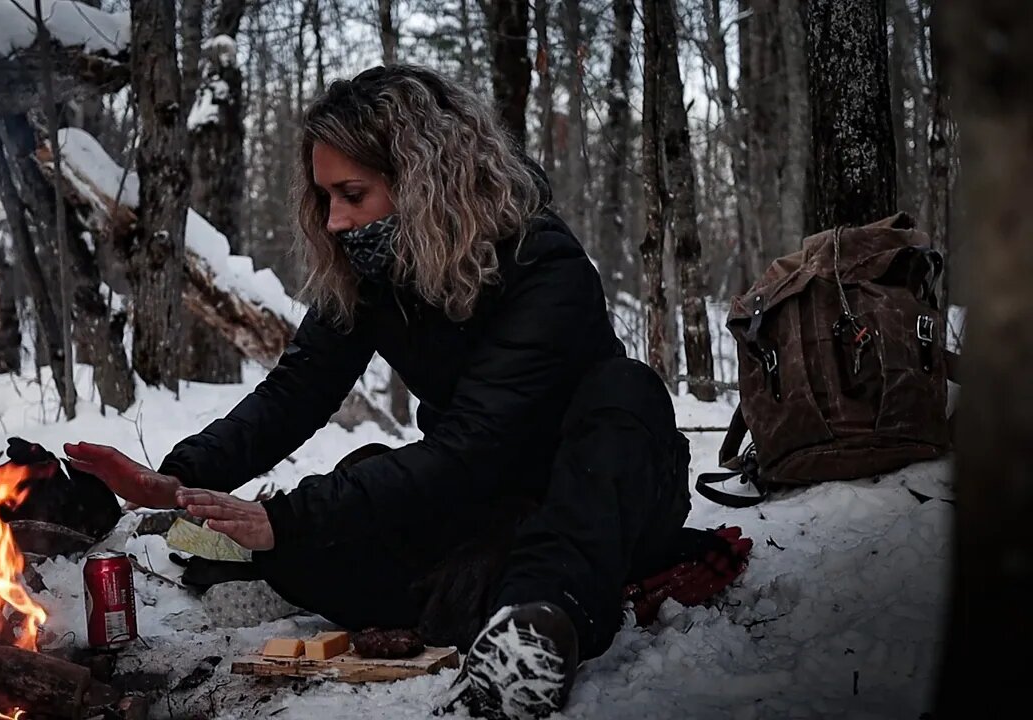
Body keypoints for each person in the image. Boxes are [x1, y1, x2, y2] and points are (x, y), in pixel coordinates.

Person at [65, 65, 693, 719]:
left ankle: (533, 637)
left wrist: (288, 520)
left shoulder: (544, 264)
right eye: (325, 198)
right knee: (356, 490)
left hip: (598, 491)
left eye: (353, 194)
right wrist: (180, 478)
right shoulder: (377, 269)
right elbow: (297, 391)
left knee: (626, 394)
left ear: (425, 183)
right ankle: (318, 573)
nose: (334, 221)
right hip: (484, 503)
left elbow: (471, 445)